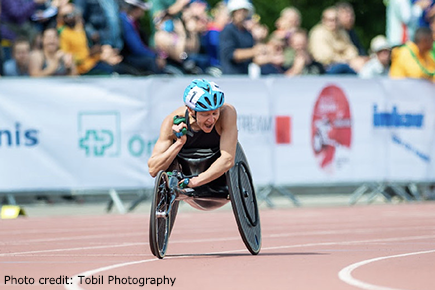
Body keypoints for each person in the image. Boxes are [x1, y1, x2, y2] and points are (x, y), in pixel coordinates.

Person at [148, 79, 238, 189]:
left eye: (215, 113)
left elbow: (228, 159)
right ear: (190, 110)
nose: (211, 119)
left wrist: (195, 182)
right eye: (205, 114)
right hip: (185, 169)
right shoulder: (172, 121)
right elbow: (153, 169)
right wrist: (179, 143)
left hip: (218, 176)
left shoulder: (227, 113)